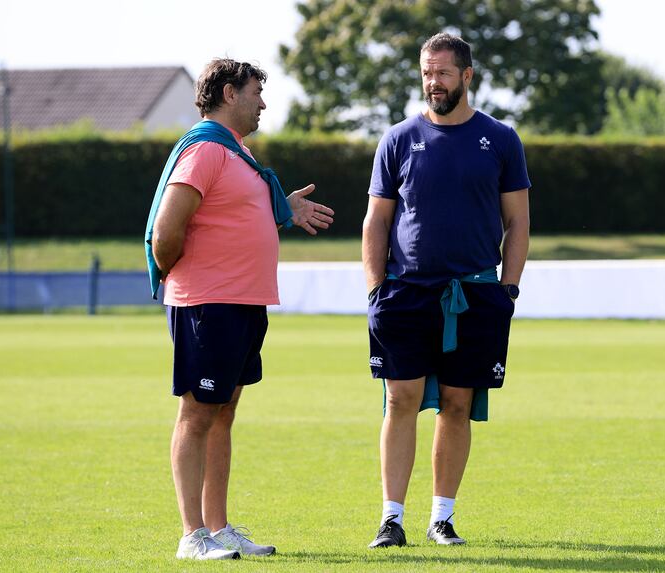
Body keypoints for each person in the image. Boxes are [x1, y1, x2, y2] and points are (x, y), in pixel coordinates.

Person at [145, 58, 334, 560]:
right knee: (197, 413)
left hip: (243, 303)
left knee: (223, 413)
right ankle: (193, 536)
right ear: (230, 94)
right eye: (256, 93)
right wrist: (190, 281)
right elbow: (167, 232)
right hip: (210, 304)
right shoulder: (206, 150)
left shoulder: (237, 154)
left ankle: (218, 526)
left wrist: (284, 207)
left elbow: (236, 215)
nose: (263, 103)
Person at [363, 33, 531, 548]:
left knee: (458, 403)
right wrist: (375, 289)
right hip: (405, 294)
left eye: (442, 73)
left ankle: (442, 517)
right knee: (402, 399)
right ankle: (392, 519)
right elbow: (376, 221)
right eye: (426, 73)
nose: (432, 83)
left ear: (467, 76)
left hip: (476, 295)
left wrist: (508, 290)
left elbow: (518, 222)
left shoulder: (500, 139)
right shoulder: (397, 139)